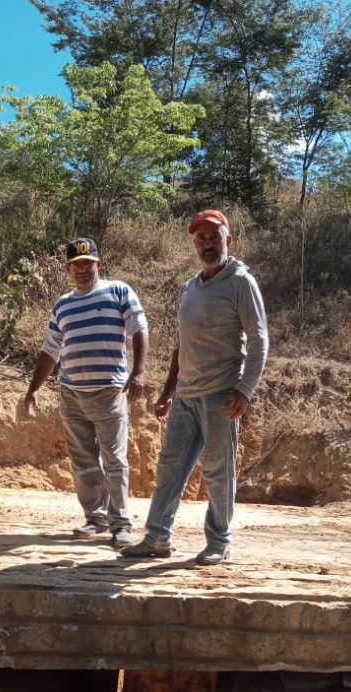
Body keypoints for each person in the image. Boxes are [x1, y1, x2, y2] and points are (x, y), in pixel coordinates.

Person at [122, 209, 269, 565]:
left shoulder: (240, 281)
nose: (207, 244)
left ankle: (219, 542)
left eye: (213, 237)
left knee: (218, 471)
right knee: (170, 467)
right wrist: (168, 390)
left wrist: (244, 391)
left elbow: (259, 339)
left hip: (222, 396)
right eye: (200, 238)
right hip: (186, 395)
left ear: (228, 240)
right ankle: (157, 537)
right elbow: (180, 344)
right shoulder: (190, 287)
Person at [24, 237, 149, 548]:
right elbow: (50, 351)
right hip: (72, 394)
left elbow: (139, 329)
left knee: (115, 460)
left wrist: (139, 372)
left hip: (109, 392)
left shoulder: (119, 291)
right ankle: (95, 518)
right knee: (83, 461)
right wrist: (32, 390)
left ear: (98, 264)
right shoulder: (63, 305)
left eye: (88, 263)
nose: (82, 269)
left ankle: (121, 524)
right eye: (76, 264)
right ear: (68, 269)